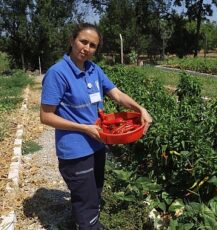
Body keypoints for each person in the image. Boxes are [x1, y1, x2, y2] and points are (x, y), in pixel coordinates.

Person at [40, 22, 152, 230]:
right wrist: (85, 128)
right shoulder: (58, 73)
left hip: (98, 143)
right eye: (83, 41)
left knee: (94, 191)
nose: (87, 48)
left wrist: (140, 109)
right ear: (72, 40)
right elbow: (46, 116)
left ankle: (84, 222)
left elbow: (116, 94)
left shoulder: (94, 69)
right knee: (86, 202)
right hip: (75, 150)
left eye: (92, 45)